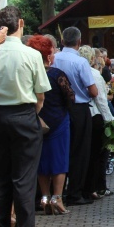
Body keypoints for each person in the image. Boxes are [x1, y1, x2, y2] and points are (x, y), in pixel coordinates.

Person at [0, 6, 52, 227]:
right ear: (21, 23)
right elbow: (40, 94)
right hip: (24, 115)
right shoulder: (30, 55)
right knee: (24, 179)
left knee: (0, 178)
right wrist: (34, 113)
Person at [26, 36, 74, 216]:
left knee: (41, 160)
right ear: (48, 54)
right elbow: (70, 97)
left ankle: (44, 196)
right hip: (59, 119)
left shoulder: (29, 73)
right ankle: (57, 197)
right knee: (59, 160)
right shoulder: (56, 74)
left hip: (36, 120)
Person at [52, 26, 98, 206]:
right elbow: (93, 90)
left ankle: (59, 191)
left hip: (59, 107)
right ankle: (75, 193)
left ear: (62, 41)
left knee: (62, 149)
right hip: (79, 108)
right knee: (80, 151)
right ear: (79, 42)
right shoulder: (80, 62)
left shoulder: (54, 58)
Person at [78, 46, 114, 201]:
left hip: (79, 115)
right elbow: (101, 99)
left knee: (82, 154)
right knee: (97, 155)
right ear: (92, 59)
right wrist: (110, 120)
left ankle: (82, 187)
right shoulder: (93, 74)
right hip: (95, 116)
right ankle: (93, 187)